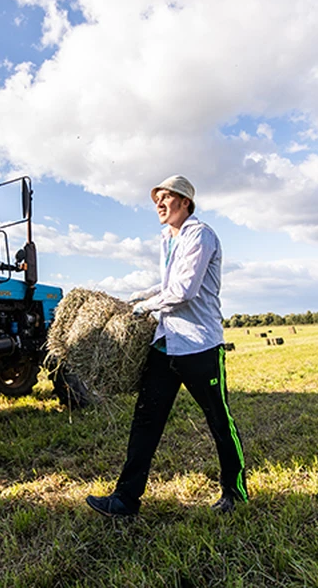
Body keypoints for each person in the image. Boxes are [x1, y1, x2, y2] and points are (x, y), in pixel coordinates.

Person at [85, 175, 249, 517]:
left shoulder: (200, 235)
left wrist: (144, 307)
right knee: (145, 419)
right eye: (156, 199)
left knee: (219, 421)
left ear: (185, 202)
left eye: (166, 198)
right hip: (166, 343)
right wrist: (140, 295)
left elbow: (184, 290)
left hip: (200, 345)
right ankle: (125, 500)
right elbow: (167, 284)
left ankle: (234, 491)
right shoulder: (167, 238)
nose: (158, 204)